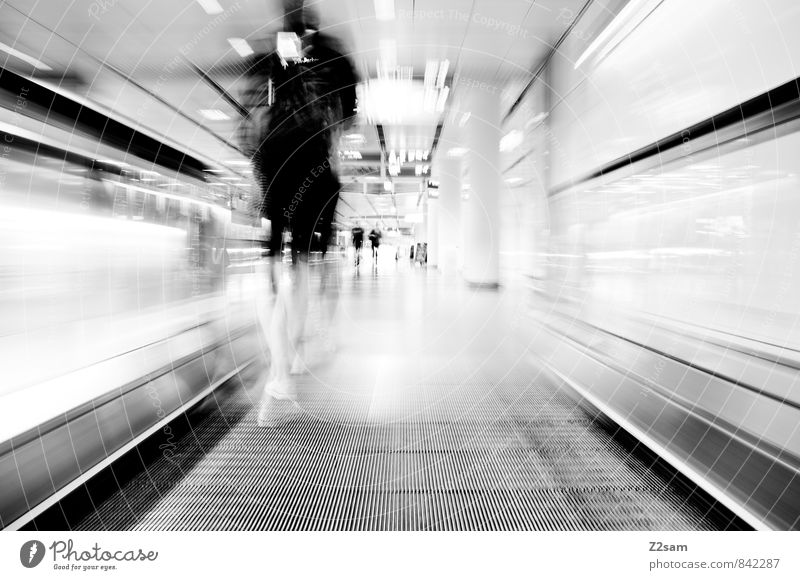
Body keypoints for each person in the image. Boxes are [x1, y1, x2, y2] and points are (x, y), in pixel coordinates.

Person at [243, 0, 358, 427]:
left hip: (274, 167)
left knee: (270, 268)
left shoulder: (266, 58)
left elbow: (248, 125)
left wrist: (260, 171)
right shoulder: (335, 56)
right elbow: (347, 115)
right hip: (314, 168)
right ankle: (282, 373)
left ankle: (280, 369)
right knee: (304, 267)